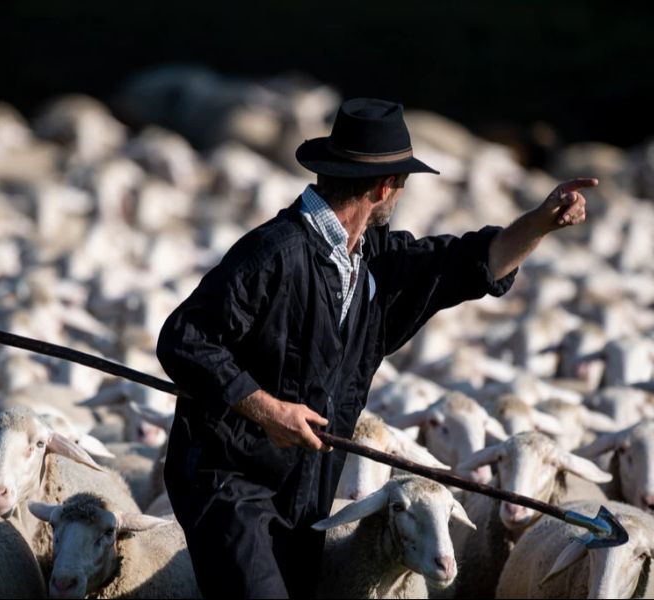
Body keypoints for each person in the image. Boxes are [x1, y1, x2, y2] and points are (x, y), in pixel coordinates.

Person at [155, 97, 596, 598]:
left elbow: (468, 262)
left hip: (307, 487)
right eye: (403, 183)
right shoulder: (274, 253)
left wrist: (540, 223)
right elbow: (184, 338)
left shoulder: (374, 261)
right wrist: (268, 409)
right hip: (230, 483)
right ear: (385, 187)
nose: (401, 194)